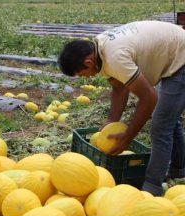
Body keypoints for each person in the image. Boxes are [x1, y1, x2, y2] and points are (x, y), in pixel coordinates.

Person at [58, 20, 185, 196]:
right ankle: (179, 169)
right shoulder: (99, 47)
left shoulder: (114, 57)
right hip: (171, 51)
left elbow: (149, 98)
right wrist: (112, 121)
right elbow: (119, 87)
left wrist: (127, 137)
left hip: (181, 59)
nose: (85, 79)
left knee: (160, 127)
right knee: (169, 118)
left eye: (82, 74)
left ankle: (152, 187)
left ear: (88, 62)